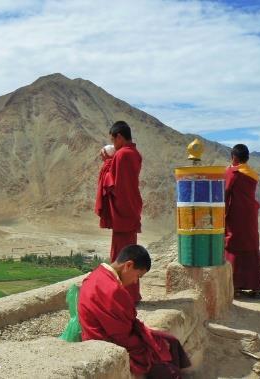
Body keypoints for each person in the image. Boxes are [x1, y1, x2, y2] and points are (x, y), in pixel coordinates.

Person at [78, 245, 191, 378]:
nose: (134, 281)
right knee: (168, 369)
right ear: (129, 265)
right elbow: (123, 337)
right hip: (106, 342)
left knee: (171, 341)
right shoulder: (113, 290)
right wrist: (149, 348)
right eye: (138, 276)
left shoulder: (97, 274)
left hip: (111, 334)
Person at [95, 120, 143, 303]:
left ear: (120, 137)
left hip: (123, 211)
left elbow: (114, 184)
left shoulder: (122, 155)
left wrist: (107, 162)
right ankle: (131, 294)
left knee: (122, 255)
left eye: (113, 140)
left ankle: (124, 297)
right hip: (131, 208)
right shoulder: (135, 154)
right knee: (129, 253)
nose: (113, 144)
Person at [224, 144, 260, 299]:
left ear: (234, 157)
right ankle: (255, 287)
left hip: (236, 215)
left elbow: (225, 193)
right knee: (251, 246)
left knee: (233, 245)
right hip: (251, 215)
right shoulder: (252, 173)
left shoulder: (233, 173)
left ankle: (234, 287)